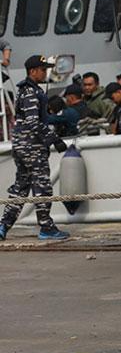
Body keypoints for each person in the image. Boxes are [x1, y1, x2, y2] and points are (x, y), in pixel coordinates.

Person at [0, 55, 69, 242]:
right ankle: (46, 227)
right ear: (33, 71)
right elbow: (32, 121)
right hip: (32, 147)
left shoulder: (26, 90)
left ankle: (3, 226)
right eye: (42, 69)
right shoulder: (30, 92)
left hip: (22, 146)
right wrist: (54, 139)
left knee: (21, 188)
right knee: (43, 187)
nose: (45, 72)